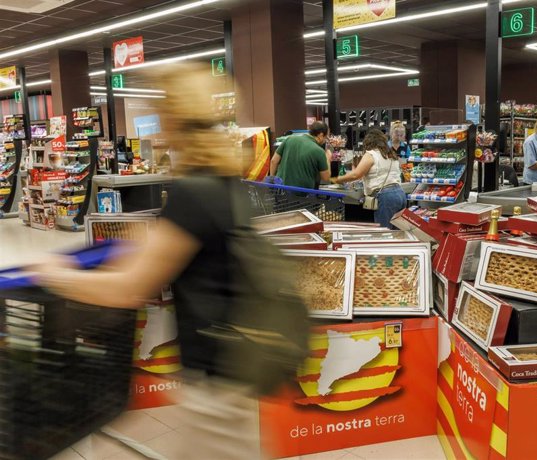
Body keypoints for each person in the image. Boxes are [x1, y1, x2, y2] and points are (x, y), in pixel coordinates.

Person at [31, 63, 265, 459]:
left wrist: (54, 275)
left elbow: (129, 289)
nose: (157, 128)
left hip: (214, 379)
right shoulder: (226, 181)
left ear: (176, 118)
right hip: (232, 367)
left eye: (162, 113)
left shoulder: (193, 193)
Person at [332, 129, 406, 229]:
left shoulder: (371, 154)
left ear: (368, 142)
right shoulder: (390, 154)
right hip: (400, 194)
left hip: (386, 197)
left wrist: (337, 179)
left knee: (384, 233)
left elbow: (356, 175)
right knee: (398, 232)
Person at [270, 121, 331, 189]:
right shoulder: (319, 151)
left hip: (281, 190)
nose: (325, 140)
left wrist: (272, 182)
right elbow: (325, 178)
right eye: (326, 137)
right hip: (302, 195)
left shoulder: (289, 139)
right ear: (321, 135)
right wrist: (327, 158)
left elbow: (274, 161)